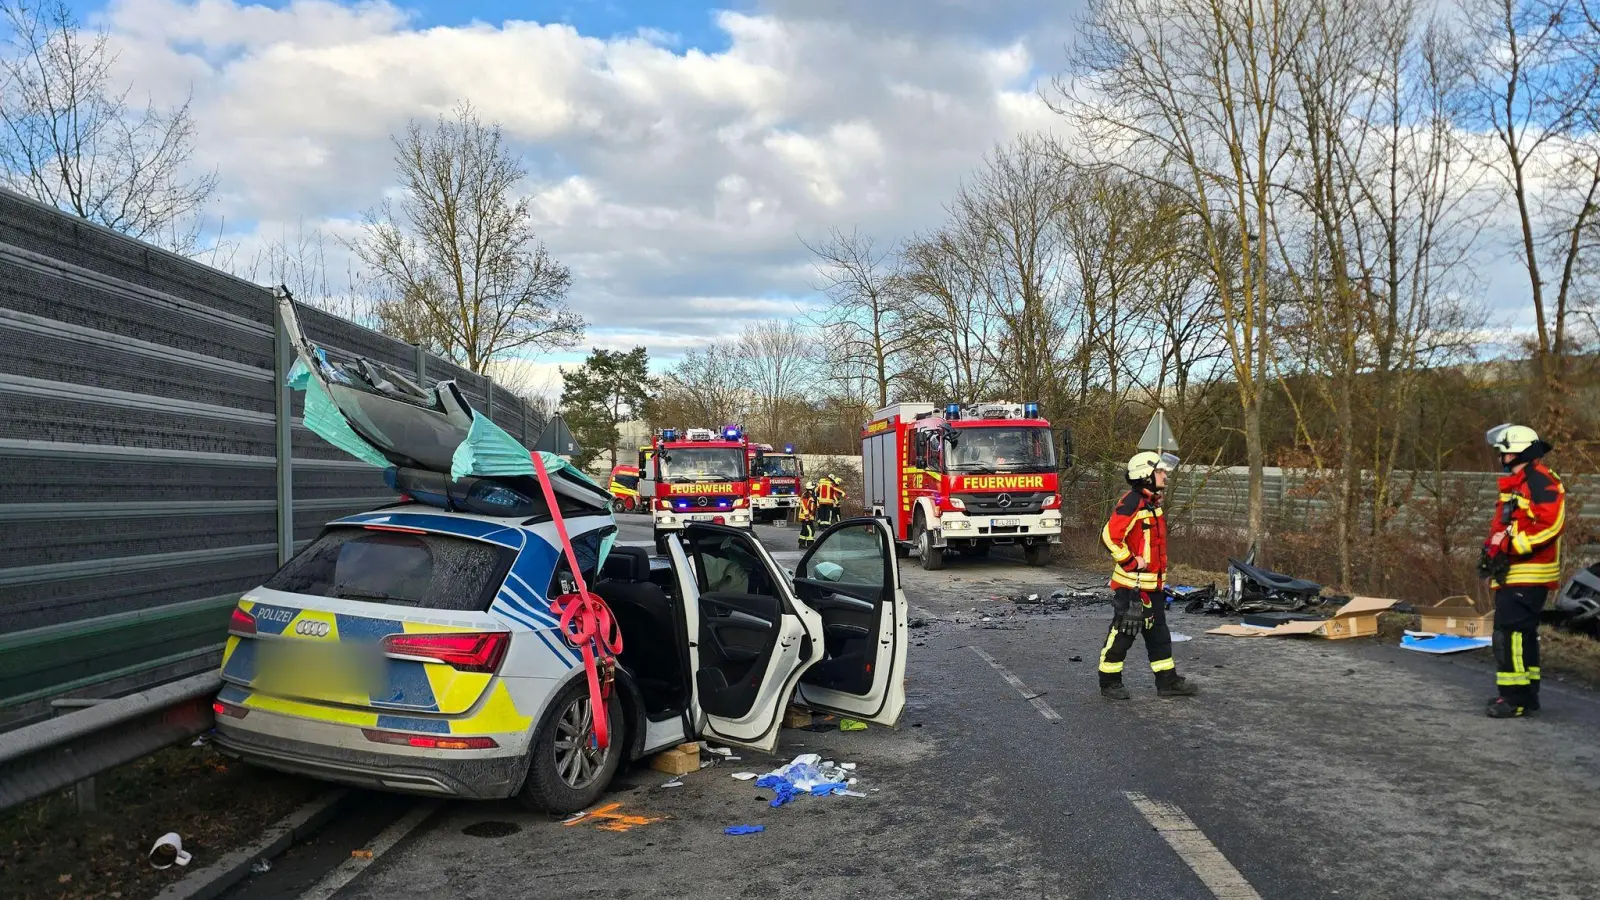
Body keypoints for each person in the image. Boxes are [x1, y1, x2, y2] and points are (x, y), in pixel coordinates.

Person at [1479, 424, 1566, 719]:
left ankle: (1514, 698)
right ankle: (1526, 695)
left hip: (1529, 571)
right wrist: (1493, 549)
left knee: (1510, 634)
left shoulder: (1540, 481)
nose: (1501, 457)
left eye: (1504, 451)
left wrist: (1511, 547)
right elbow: (1509, 524)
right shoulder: (1520, 482)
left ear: (1518, 452)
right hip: (1515, 571)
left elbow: (1551, 525)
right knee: (1521, 634)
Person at [1098, 451, 1197, 700]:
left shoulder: (1152, 503)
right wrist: (1131, 561)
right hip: (1133, 587)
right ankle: (1109, 682)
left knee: (1159, 635)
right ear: (1146, 475)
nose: (1164, 475)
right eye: (1160, 471)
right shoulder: (1132, 503)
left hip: (1152, 586)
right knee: (1124, 633)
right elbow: (1110, 537)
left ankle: (1167, 682)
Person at [797, 480, 818, 548]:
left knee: (804, 530)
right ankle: (810, 544)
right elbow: (805, 507)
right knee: (810, 530)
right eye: (814, 487)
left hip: (807, 516)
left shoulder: (808, 495)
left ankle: (801, 544)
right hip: (806, 516)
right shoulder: (806, 496)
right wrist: (807, 517)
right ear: (812, 488)